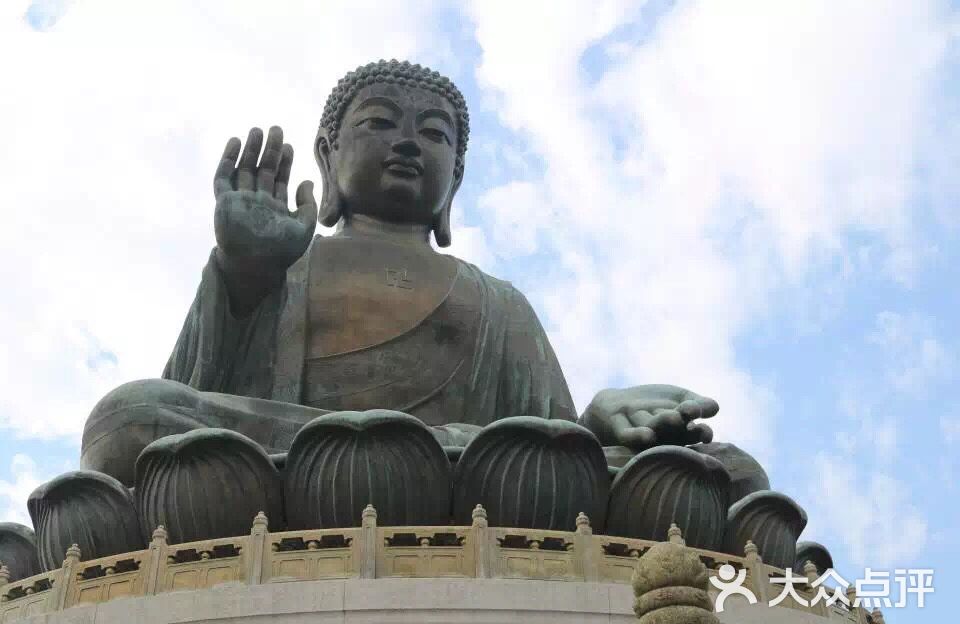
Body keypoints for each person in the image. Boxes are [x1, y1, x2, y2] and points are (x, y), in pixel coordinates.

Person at [81, 60, 717, 486]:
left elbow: (546, 445)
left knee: (723, 472)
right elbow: (194, 396)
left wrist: (596, 424)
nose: (409, 143)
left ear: (456, 180)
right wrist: (245, 272)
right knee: (129, 417)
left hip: (458, 470)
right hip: (292, 460)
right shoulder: (287, 261)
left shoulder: (495, 301)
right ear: (328, 158)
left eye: (434, 134)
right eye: (380, 123)